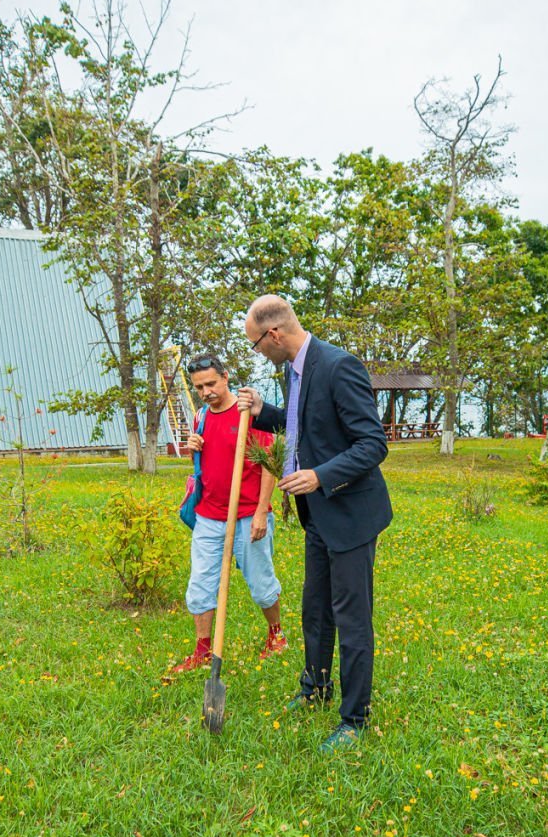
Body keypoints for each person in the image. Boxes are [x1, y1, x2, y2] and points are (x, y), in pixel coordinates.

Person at [235, 295, 391, 751]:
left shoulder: (339, 366)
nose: (258, 352)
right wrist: (264, 411)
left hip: (351, 514)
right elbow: (304, 427)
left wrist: (321, 475)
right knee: (316, 608)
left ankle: (354, 719)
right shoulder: (294, 370)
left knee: (352, 617)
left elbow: (373, 443)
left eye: (256, 344)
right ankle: (316, 688)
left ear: (274, 334)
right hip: (317, 514)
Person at [168, 353, 287, 674]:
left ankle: (276, 635)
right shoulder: (201, 417)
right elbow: (205, 464)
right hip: (209, 516)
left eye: (211, 384)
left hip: (248, 514)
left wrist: (261, 512)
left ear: (225, 376)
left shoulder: (249, 413)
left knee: (261, 582)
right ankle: (203, 650)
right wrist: (194, 447)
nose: (205, 392)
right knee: (200, 585)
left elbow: (269, 464)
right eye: (199, 387)